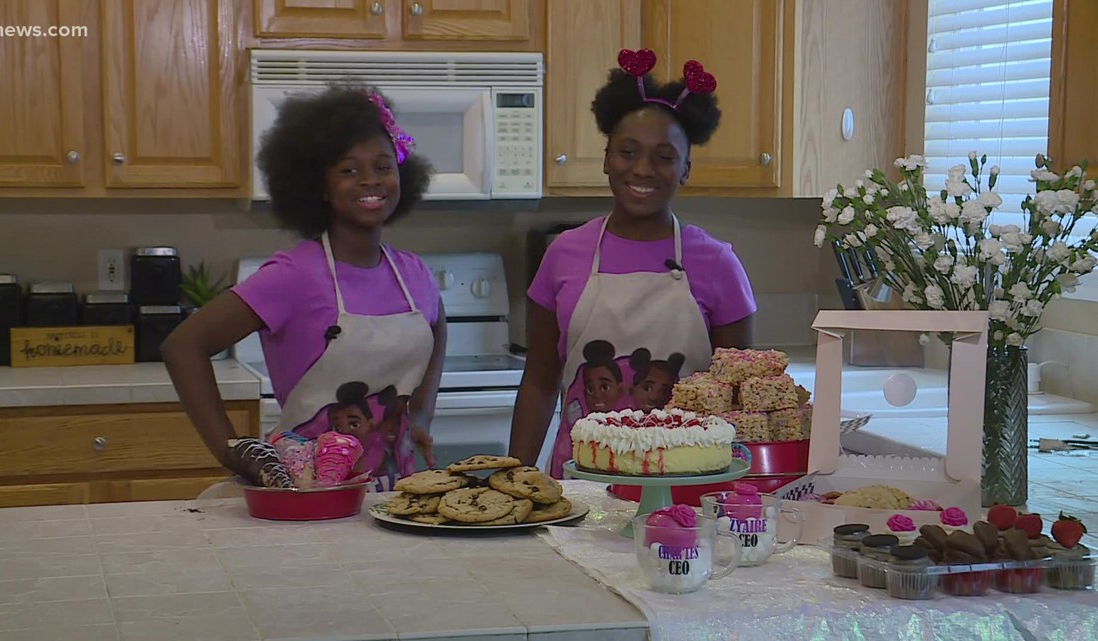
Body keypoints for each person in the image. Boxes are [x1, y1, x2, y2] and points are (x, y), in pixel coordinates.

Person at [162, 83, 446, 492]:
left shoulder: (413, 272)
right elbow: (184, 345)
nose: (371, 180)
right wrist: (232, 449)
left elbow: (437, 326)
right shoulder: (294, 275)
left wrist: (420, 414)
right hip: (308, 492)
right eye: (349, 170)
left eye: (384, 166)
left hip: (397, 495)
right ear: (320, 187)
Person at [508, 50, 757, 477]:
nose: (643, 169)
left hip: (685, 486)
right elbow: (539, 382)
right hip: (579, 482)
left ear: (685, 170)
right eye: (628, 152)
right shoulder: (564, 253)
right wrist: (513, 475)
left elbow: (738, 394)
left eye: (664, 157)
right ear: (606, 159)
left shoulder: (717, 263)